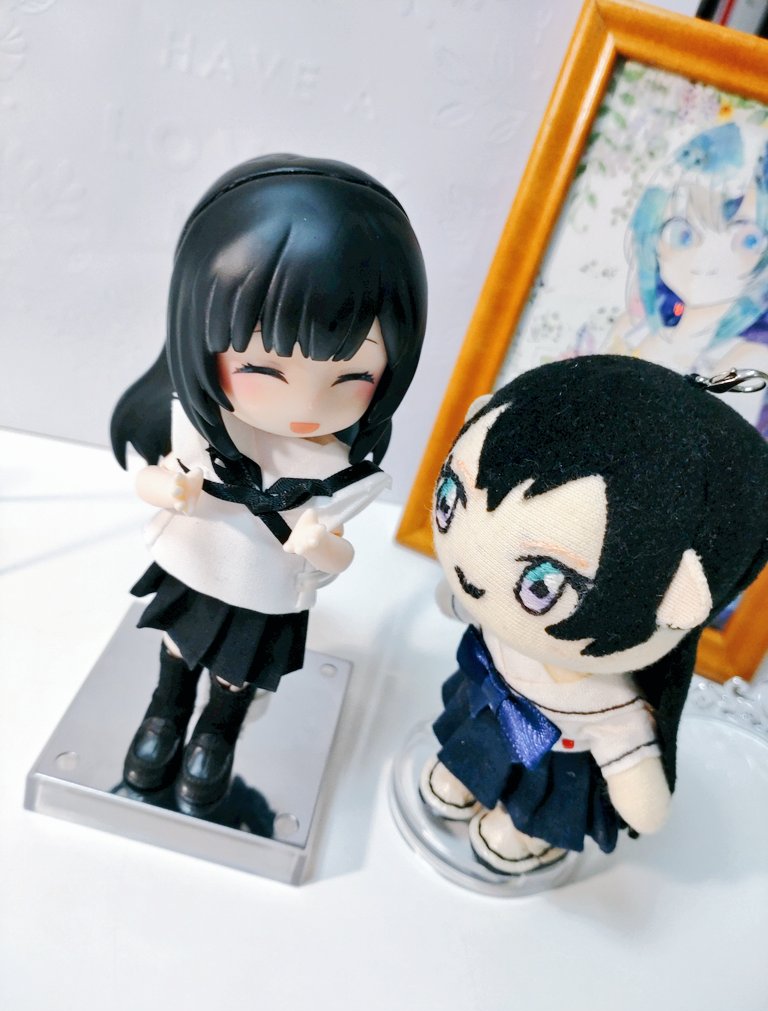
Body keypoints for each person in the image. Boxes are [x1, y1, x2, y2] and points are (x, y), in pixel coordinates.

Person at [111, 154, 427, 808]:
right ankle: (164, 715)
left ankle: (216, 736)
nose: (306, 407)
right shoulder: (199, 428)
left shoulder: (336, 470)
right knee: (177, 649)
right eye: (263, 371)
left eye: (351, 378)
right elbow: (152, 477)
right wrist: (167, 490)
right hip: (199, 563)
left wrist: (319, 546)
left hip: (263, 590)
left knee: (236, 676)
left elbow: (340, 553)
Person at [421, 356, 768, 873]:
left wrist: (639, 790)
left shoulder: (606, 700)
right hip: (488, 708)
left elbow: (635, 776)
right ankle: (467, 774)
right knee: (472, 747)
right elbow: (458, 599)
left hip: (558, 757)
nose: (472, 571)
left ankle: (527, 828)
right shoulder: (490, 608)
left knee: (541, 802)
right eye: (452, 500)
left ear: (677, 601)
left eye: (543, 583)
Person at [607, 122, 768, 432]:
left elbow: (715, 449)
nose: (706, 261)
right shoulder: (633, 328)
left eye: (747, 240)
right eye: (683, 235)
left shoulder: (749, 360)